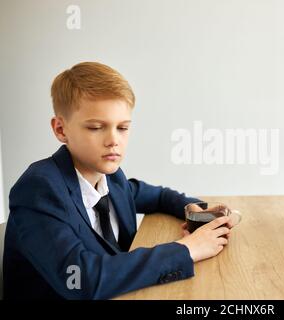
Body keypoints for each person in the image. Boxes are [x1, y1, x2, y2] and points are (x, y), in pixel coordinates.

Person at [3, 62, 232, 299]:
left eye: (122, 128)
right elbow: (80, 279)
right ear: (61, 129)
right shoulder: (38, 189)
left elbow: (159, 197)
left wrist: (196, 212)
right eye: (96, 127)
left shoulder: (111, 177)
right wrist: (186, 249)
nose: (113, 140)